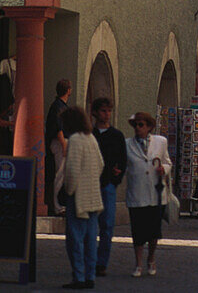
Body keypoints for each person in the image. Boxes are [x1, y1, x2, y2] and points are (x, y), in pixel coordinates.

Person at [60, 105, 104, 291]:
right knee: (90, 240)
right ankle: (89, 276)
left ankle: (78, 276)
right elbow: (101, 164)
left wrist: (68, 190)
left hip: (79, 197)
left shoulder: (75, 140)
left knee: (75, 240)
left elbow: (71, 171)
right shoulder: (91, 138)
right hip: (93, 196)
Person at [125, 111, 172, 278]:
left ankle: (151, 258)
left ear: (149, 127)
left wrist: (164, 169)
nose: (138, 128)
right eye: (136, 125)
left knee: (153, 231)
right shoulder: (127, 144)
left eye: (141, 125)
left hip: (156, 193)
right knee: (137, 232)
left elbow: (167, 162)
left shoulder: (161, 142)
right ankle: (138, 263)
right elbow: (123, 166)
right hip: (137, 193)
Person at [91, 97, 127, 277]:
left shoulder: (116, 136)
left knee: (107, 226)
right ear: (96, 112)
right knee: (89, 226)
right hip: (91, 185)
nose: (107, 114)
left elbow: (123, 160)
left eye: (109, 110)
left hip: (108, 186)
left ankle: (101, 263)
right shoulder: (90, 135)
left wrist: (116, 178)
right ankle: (90, 260)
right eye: (104, 110)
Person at [45, 78, 72, 215]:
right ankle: (57, 206)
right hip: (60, 143)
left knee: (62, 174)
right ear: (68, 90)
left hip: (62, 142)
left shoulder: (60, 105)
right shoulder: (58, 106)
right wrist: (64, 145)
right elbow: (58, 128)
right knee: (60, 174)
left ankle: (61, 204)